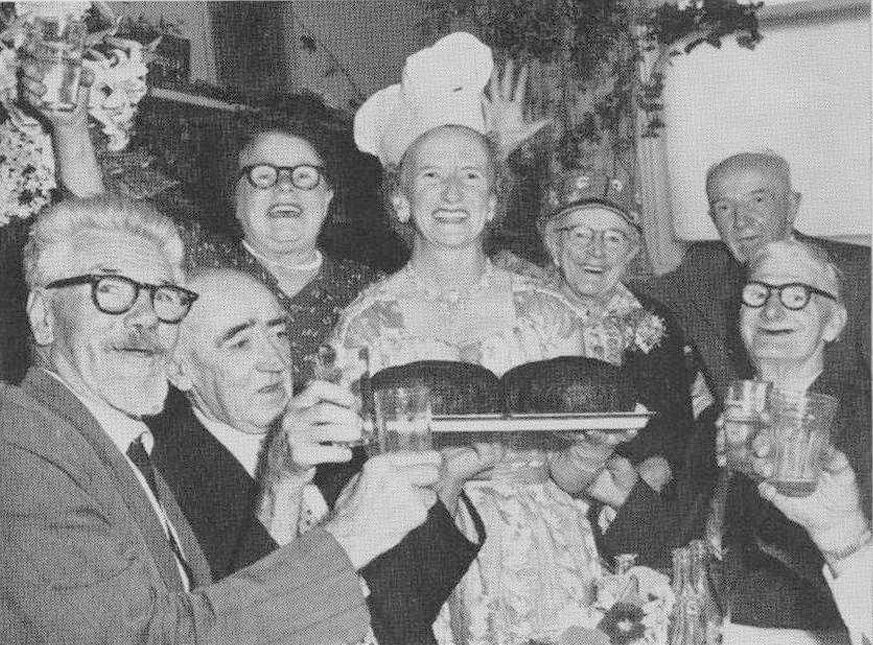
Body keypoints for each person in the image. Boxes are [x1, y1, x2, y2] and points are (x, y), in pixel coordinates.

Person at [0, 194, 442, 644]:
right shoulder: (18, 439)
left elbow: (214, 616)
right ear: (43, 317)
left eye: (163, 297)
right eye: (110, 291)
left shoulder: (124, 450)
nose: (146, 320)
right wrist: (349, 536)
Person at [333, 32, 647, 645]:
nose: (452, 194)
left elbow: (571, 475)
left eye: (471, 175)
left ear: (494, 198)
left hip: (546, 561)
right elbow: (354, 478)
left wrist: (588, 452)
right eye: (430, 175)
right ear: (400, 199)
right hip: (422, 555)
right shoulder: (365, 323)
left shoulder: (552, 314)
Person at [148, 266, 486, 645]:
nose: (275, 361)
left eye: (278, 334)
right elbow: (236, 628)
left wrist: (451, 479)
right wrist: (283, 485)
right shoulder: (162, 483)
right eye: (240, 343)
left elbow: (408, 602)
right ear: (180, 371)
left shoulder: (331, 429)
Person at [19, 60, 384, 386]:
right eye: (263, 175)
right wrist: (71, 128)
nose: (284, 187)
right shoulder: (195, 260)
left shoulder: (372, 290)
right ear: (235, 197)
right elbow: (99, 228)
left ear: (328, 196)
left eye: (304, 176)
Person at [533, 169, 715, 564]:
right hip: (539, 491)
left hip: (626, 495)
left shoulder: (656, 320)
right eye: (580, 234)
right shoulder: (523, 312)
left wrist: (653, 472)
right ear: (554, 244)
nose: (596, 252)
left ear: (631, 251)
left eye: (614, 237)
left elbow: (677, 423)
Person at [718, 239, 871, 642]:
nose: (771, 310)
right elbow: (681, 546)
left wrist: (842, 538)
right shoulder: (721, 420)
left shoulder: (865, 420)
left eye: (796, 296)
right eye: (758, 294)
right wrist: (619, 494)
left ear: (833, 323)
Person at [640, 151, 870, 397]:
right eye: (725, 207)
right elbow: (635, 295)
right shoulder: (702, 270)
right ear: (713, 219)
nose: (740, 222)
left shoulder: (862, 273)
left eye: (758, 201)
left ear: (792, 206)